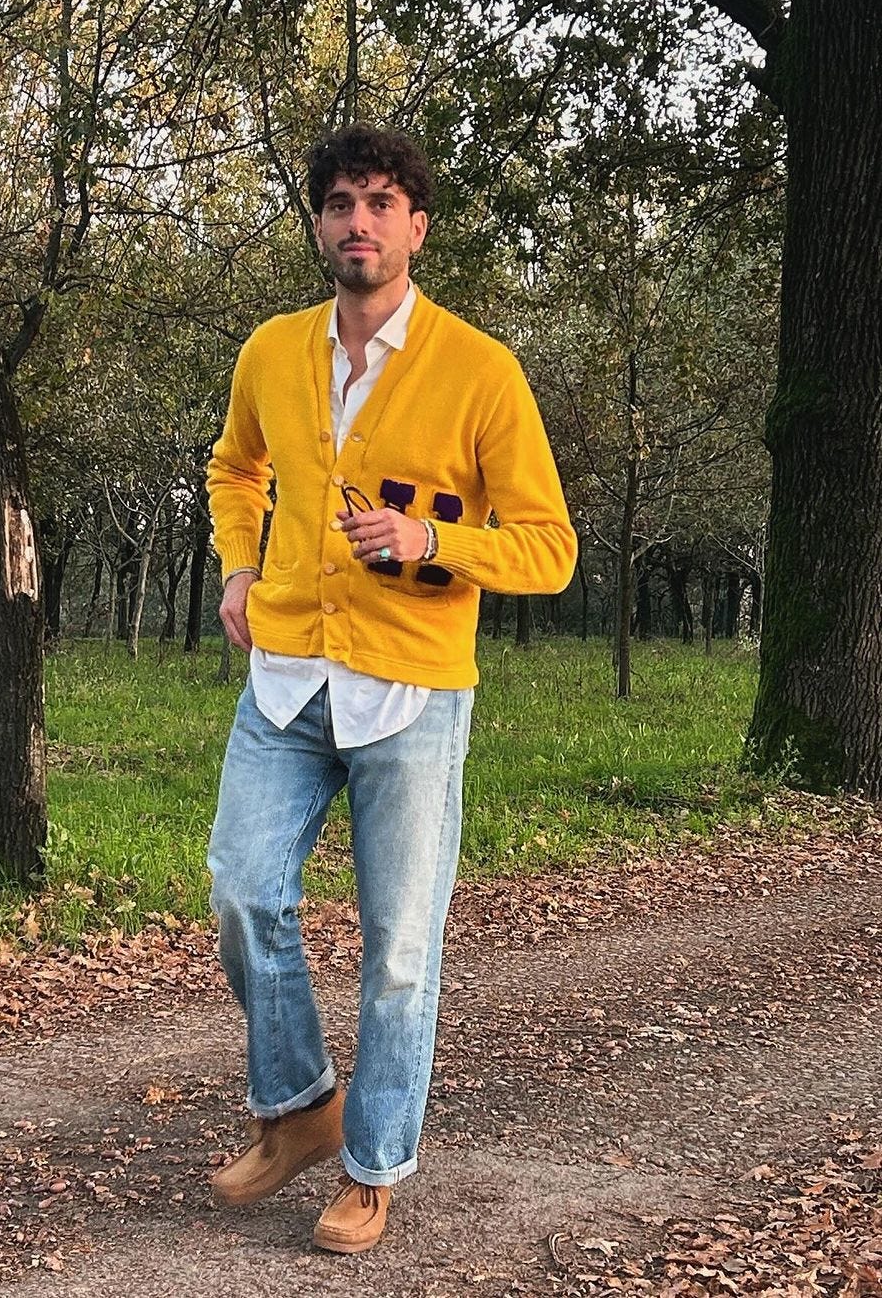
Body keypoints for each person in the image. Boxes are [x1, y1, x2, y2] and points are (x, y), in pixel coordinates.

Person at [204, 123, 576, 1254]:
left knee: (400, 943)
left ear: (417, 225)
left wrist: (431, 537)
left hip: (411, 691)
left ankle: (371, 1167)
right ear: (318, 223)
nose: (358, 220)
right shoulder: (272, 348)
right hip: (285, 676)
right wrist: (237, 565)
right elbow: (237, 465)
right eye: (339, 202)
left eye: (380, 202)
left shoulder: (480, 368)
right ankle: (302, 1106)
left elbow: (550, 546)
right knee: (240, 887)